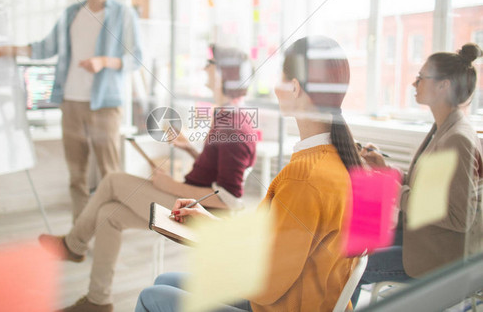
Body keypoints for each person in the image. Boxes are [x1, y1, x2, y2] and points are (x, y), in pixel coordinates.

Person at [135, 36, 363, 312]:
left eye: (279, 76)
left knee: (152, 296)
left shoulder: (304, 178)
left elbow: (266, 285)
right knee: (165, 280)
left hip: (279, 304)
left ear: (294, 87)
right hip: (292, 295)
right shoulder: (339, 160)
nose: (274, 87)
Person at [38, 45, 258, 312]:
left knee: (113, 181)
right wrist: (188, 148)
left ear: (226, 73)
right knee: (109, 214)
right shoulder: (228, 114)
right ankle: (98, 300)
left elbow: (230, 200)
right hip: (190, 201)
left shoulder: (234, 124)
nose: (205, 68)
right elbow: (217, 171)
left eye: (211, 63)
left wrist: (170, 185)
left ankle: (73, 245)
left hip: (200, 215)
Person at [0, 0, 142, 222]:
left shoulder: (122, 14)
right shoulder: (72, 14)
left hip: (105, 106)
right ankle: (77, 240)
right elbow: (45, 48)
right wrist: (4, 50)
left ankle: (109, 234)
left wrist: (103, 61)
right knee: (76, 176)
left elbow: (136, 58)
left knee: (111, 176)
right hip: (71, 102)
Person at [351, 43, 483, 306]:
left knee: (353, 268)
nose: (414, 84)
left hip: (441, 257)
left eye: (421, 78)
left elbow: (459, 218)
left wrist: (395, 190)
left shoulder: (457, 139)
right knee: (353, 247)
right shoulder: (444, 128)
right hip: (424, 238)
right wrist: (386, 170)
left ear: (444, 85)